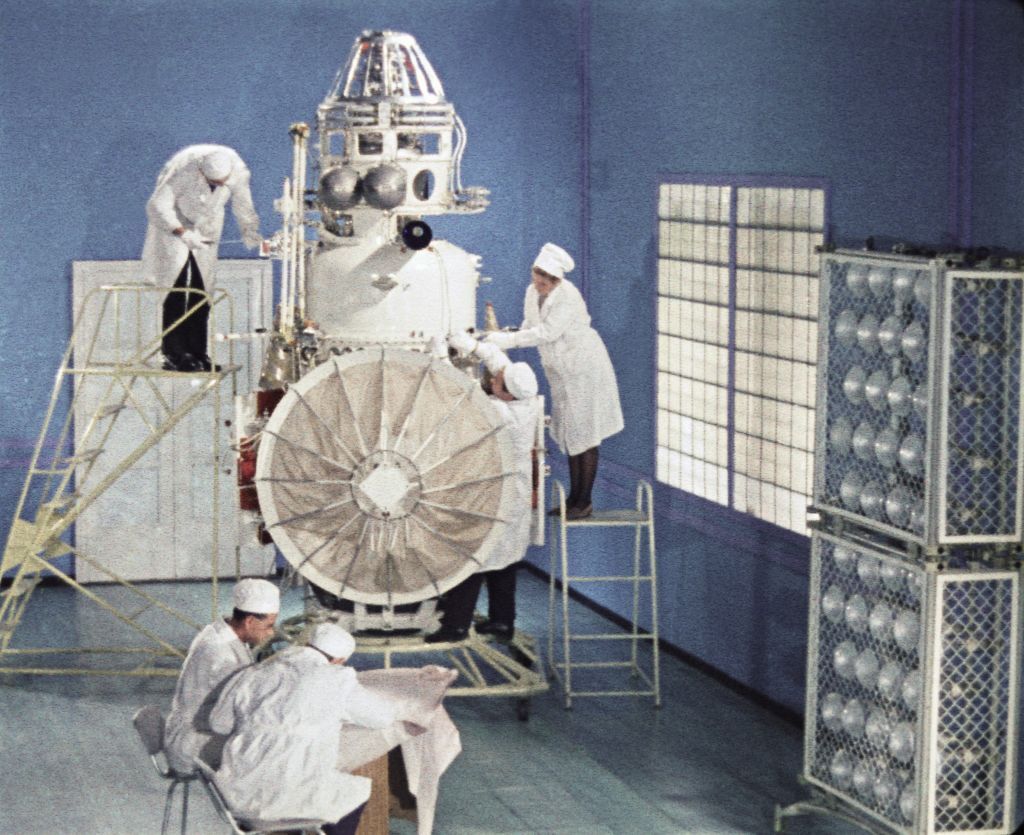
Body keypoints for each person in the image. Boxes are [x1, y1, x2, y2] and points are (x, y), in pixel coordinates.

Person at [209, 622, 397, 835]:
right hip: (287, 799)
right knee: (355, 792)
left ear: (308, 644)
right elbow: (383, 717)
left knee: (309, 790)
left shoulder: (253, 673)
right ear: (339, 660)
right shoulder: (336, 679)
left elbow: (219, 724)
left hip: (235, 797)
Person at [484, 243, 623, 519]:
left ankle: (584, 501)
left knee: (586, 435)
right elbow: (530, 325)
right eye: (538, 277)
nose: (541, 284)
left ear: (558, 280)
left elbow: (546, 333)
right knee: (573, 434)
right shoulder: (532, 291)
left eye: (547, 281)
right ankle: (573, 499)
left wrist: (506, 341)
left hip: (584, 369)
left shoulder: (568, 297)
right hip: (562, 372)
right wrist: (508, 335)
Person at [425, 334, 539, 643]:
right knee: (504, 562)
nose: (493, 378)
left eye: (497, 380)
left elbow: (460, 396)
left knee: (472, 560)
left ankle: (455, 626)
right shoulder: (525, 399)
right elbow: (504, 368)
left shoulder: (503, 415)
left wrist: (441, 359)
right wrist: (476, 348)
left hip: (498, 496)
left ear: (506, 393)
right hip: (511, 496)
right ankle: (503, 621)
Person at [141, 144, 262, 372]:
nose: (217, 187)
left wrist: (249, 230)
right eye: (212, 183)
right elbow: (157, 205)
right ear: (201, 172)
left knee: (202, 290)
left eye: (221, 183)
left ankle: (198, 352)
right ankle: (175, 354)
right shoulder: (184, 169)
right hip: (174, 223)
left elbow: (243, 202)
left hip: (207, 224)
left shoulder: (238, 171)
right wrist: (182, 232)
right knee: (176, 286)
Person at [163, 578, 279, 774]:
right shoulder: (221, 654)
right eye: (268, 626)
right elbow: (239, 713)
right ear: (249, 621)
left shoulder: (219, 630)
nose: (271, 633)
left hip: (190, 730)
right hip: (194, 742)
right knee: (274, 752)